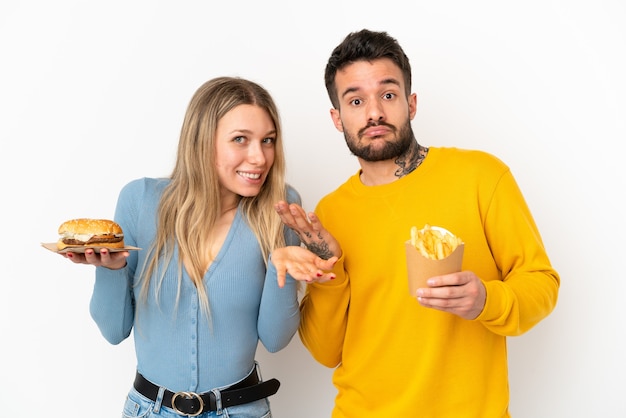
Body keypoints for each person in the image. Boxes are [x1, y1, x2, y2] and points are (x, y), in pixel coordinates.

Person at [274, 29, 560, 417]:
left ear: (411, 103)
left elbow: (541, 282)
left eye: (387, 95)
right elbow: (326, 352)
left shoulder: (481, 177)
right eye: (355, 100)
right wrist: (330, 268)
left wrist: (487, 301)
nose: (374, 112)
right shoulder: (330, 213)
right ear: (337, 118)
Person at [62, 76, 335, 418]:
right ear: (202, 142)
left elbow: (276, 339)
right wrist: (111, 270)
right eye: (241, 140)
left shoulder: (279, 208)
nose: (260, 157)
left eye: (268, 141)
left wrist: (282, 270)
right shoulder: (140, 201)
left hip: (241, 411)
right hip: (150, 410)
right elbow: (114, 331)